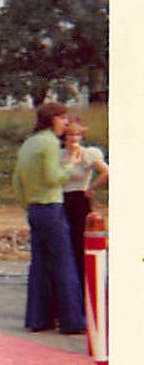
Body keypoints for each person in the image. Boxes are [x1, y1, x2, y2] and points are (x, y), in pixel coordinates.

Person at [12, 102, 84, 335]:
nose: (66, 122)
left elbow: (17, 181)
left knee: (40, 266)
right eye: (62, 118)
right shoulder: (51, 142)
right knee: (64, 264)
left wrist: (29, 205)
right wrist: (71, 164)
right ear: (52, 120)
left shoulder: (29, 143)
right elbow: (53, 178)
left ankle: (39, 319)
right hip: (52, 207)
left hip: (35, 209)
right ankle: (72, 321)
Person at [60, 119, 109, 286]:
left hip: (80, 197)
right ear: (64, 138)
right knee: (66, 239)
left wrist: (92, 187)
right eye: (70, 135)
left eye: (77, 135)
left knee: (80, 238)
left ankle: (84, 279)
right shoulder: (59, 155)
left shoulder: (88, 154)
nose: (74, 138)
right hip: (63, 198)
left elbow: (106, 172)